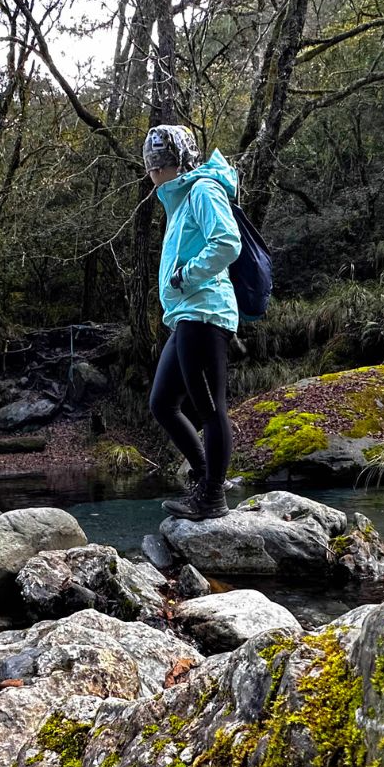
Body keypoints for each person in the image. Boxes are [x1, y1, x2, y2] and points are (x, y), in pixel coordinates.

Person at [143, 124, 241, 520]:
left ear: (173, 164)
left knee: (211, 408)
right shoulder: (182, 199)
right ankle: (202, 478)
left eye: (156, 163)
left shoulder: (202, 189)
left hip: (205, 312)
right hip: (185, 315)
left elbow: (227, 242)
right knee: (163, 403)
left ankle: (212, 497)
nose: (151, 171)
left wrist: (187, 275)